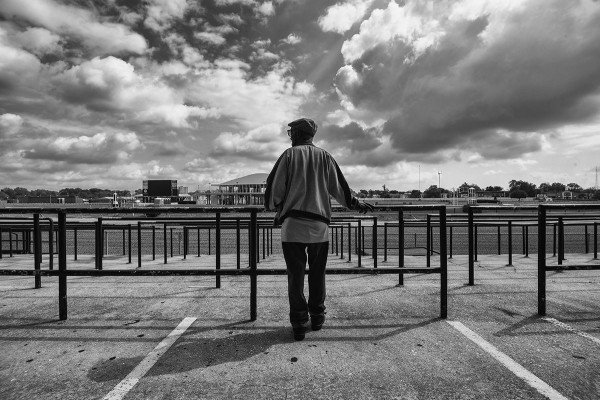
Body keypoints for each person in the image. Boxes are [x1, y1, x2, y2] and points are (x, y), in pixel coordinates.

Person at [264, 117, 374, 341]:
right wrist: (355, 204)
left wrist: (277, 209)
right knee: (317, 274)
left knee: (295, 277)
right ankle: (317, 316)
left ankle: (298, 322)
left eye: (291, 133)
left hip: (292, 227)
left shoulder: (288, 155)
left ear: (296, 134)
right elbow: (341, 190)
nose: (290, 136)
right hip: (319, 227)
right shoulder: (326, 157)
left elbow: (273, 191)